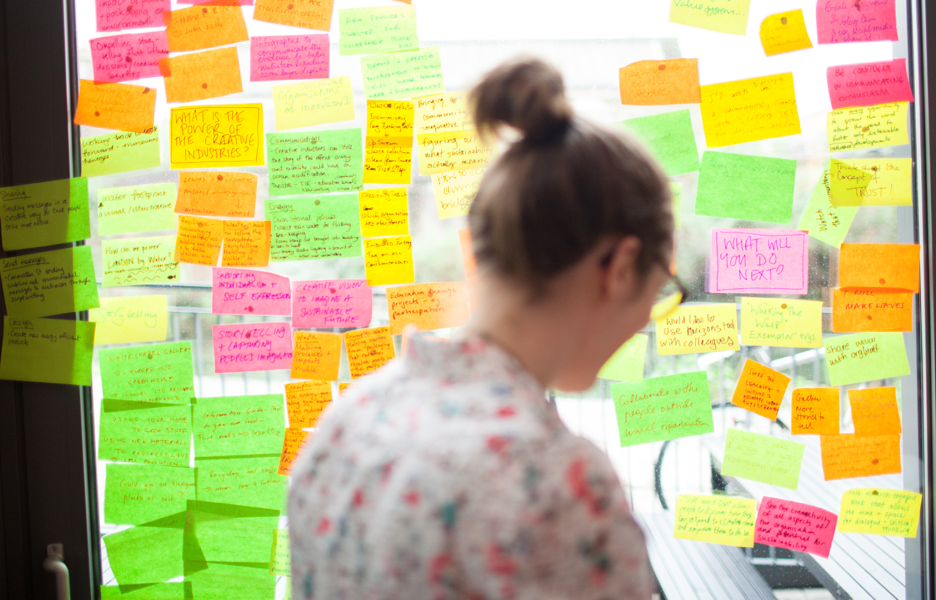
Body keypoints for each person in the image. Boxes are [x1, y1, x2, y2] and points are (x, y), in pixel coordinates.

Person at [288, 56, 679, 599]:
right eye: (663, 287)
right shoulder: (557, 484)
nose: (650, 316)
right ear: (619, 267)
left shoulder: (346, 424)